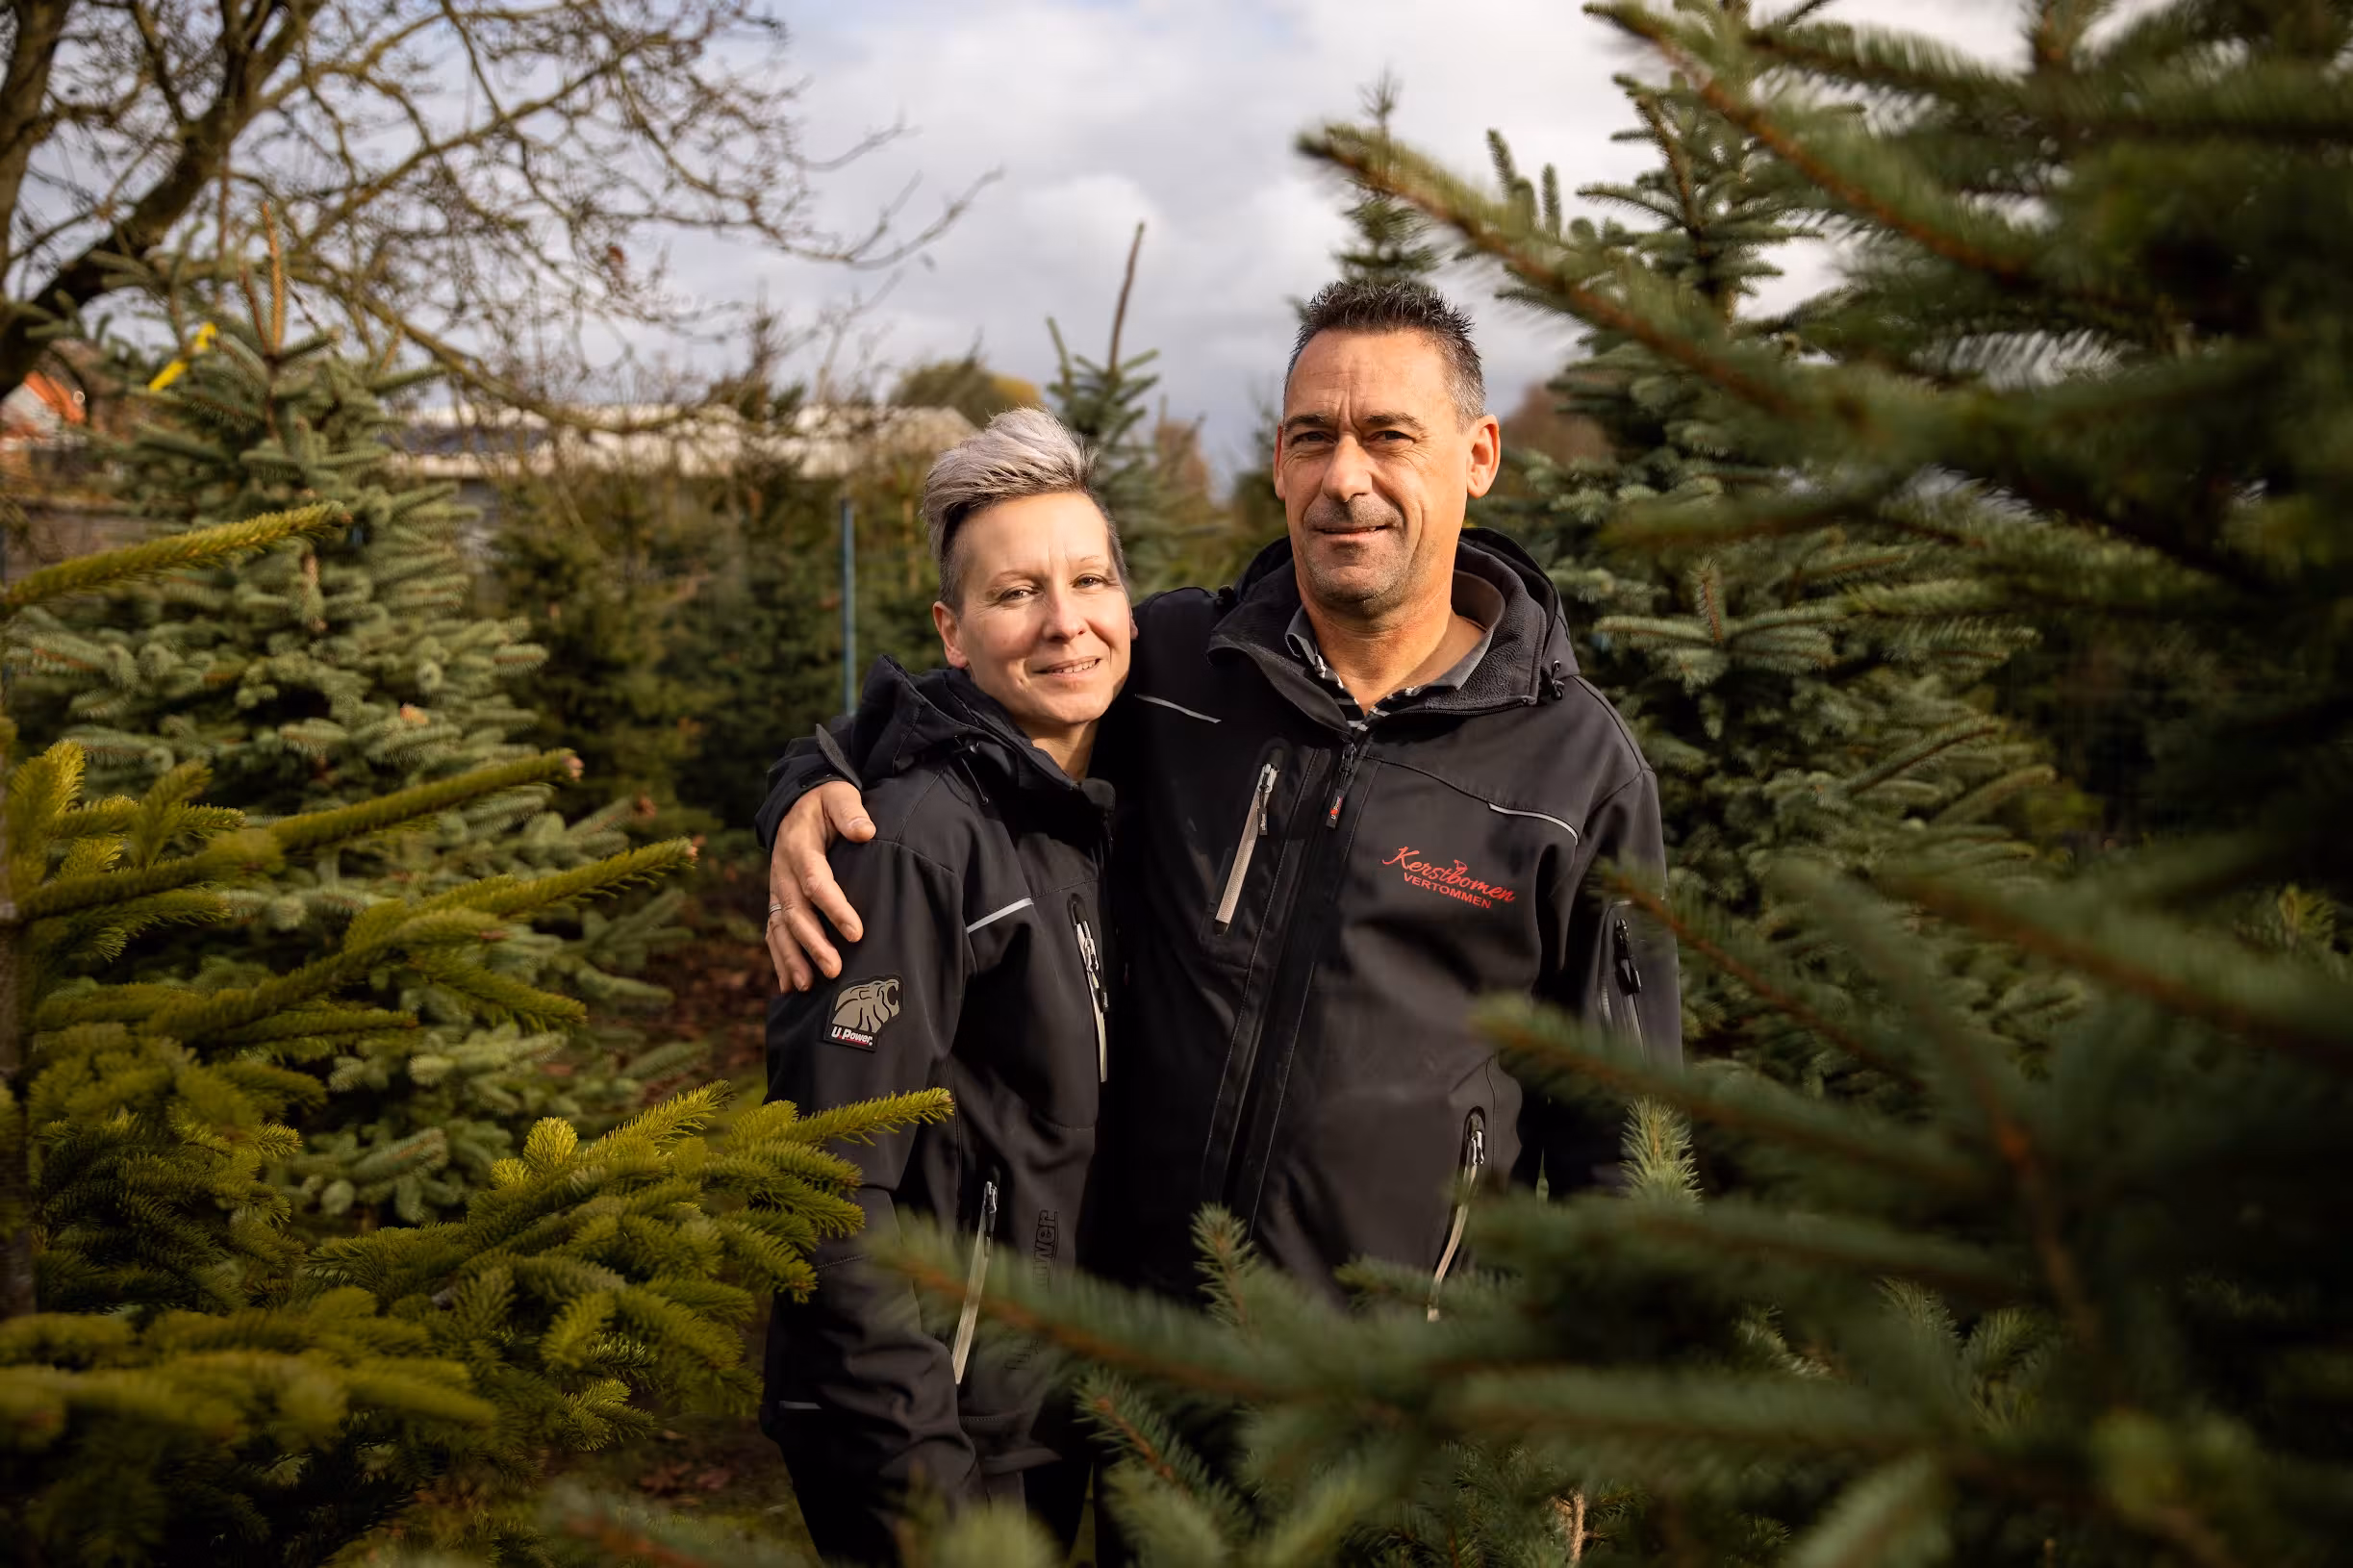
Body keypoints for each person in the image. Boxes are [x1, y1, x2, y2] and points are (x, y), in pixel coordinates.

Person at [760, 280, 1681, 1316]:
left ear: (1477, 457)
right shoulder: (1181, 668)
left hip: (1402, 1397)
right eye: (1312, 436)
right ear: (1279, 464)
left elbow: (1622, 1133)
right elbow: (965, 705)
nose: (1346, 478)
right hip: (1148, 1366)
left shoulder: (1573, 768)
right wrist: (810, 784)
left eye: (1388, 436)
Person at [760, 408, 1130, 1562]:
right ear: (952, 633)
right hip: (933, 1429)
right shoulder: (918, 837)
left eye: (1090, 579)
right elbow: (825, 1186)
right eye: (1017, 593)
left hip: (1037, 1404)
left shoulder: (1099, 799)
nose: (1066, 622)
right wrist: (921, 1474)